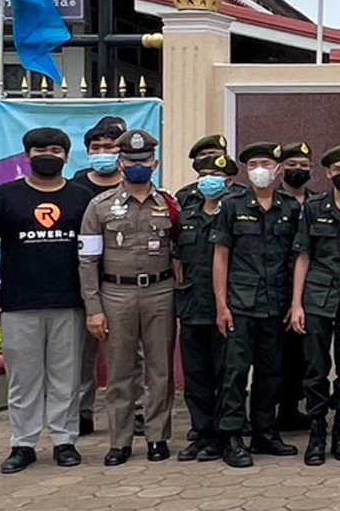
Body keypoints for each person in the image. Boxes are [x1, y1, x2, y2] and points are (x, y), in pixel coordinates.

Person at [0, 127, 97, 474]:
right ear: (26, 157)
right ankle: (23, 443)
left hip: (70, 300)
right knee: (23, 378)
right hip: (18, 301)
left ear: (67, 156)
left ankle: (64, 440)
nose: (48, 155)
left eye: (55, 149)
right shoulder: (5, 196)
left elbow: (94, 248)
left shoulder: (81, 196)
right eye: (40, 150)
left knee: (66, 376)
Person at [77, 129, 178, 466]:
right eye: (132, 160)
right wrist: (94, 309)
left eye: (144, 160)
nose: (138, 165)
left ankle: (157, 437)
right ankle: (119, 441)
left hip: (160, 292)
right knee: (120, 372)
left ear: (155, 162)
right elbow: (87, 260)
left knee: (160, 369)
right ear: (121, 163)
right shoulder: (99, 206)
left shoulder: (170, 204)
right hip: (115, 292)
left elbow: (180, 253)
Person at [212, 142, 303, 468]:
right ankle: (232, 436)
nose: (260, 170)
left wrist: (295, 303)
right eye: (253, 164)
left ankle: (265, 432)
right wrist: (221, 305)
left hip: (275, 304)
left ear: (279, 169)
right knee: (235, 373)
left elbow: (297, 258)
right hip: (240, 304)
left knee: (271, 372)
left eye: (266, 163)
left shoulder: (290, 208)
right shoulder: (232, 206)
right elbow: (221, 257)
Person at [290, 145, 340, 465]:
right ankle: (317, 432)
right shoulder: (313, 208)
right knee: (315, 369)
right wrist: (296, 304)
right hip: (318, 298)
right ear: (328, 174)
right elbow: (303, 257)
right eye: (338, 170)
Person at [174, 150, 235, 461]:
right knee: (196, 375)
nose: (209, 181)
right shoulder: (186, 213)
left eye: (216, 176)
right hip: (191, 305)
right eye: (203, 175)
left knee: (226, 373)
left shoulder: (236, 211)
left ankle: (226, 435)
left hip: (226, 307)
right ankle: (202, 432)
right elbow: (176, 259)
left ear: (228, 180)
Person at [70, 114, 128, 436]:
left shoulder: (134, 183)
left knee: (129, 355)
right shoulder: (77, 186)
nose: (104, 152)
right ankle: (82, 413)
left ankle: (133, 414)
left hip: (125, 282)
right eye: (97, 147)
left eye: (110, 147)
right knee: (82, 355)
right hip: (86, 281)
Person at [271, 141, 316, 436]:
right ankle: (272, 413)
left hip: (311, 290)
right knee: (275, 355)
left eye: (303, 165)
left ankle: (293, 410)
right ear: (280, 170)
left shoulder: (316, 203)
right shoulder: (270, 202)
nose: (297, 170)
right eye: (291, 165)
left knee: (303, 354)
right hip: (273, 287)